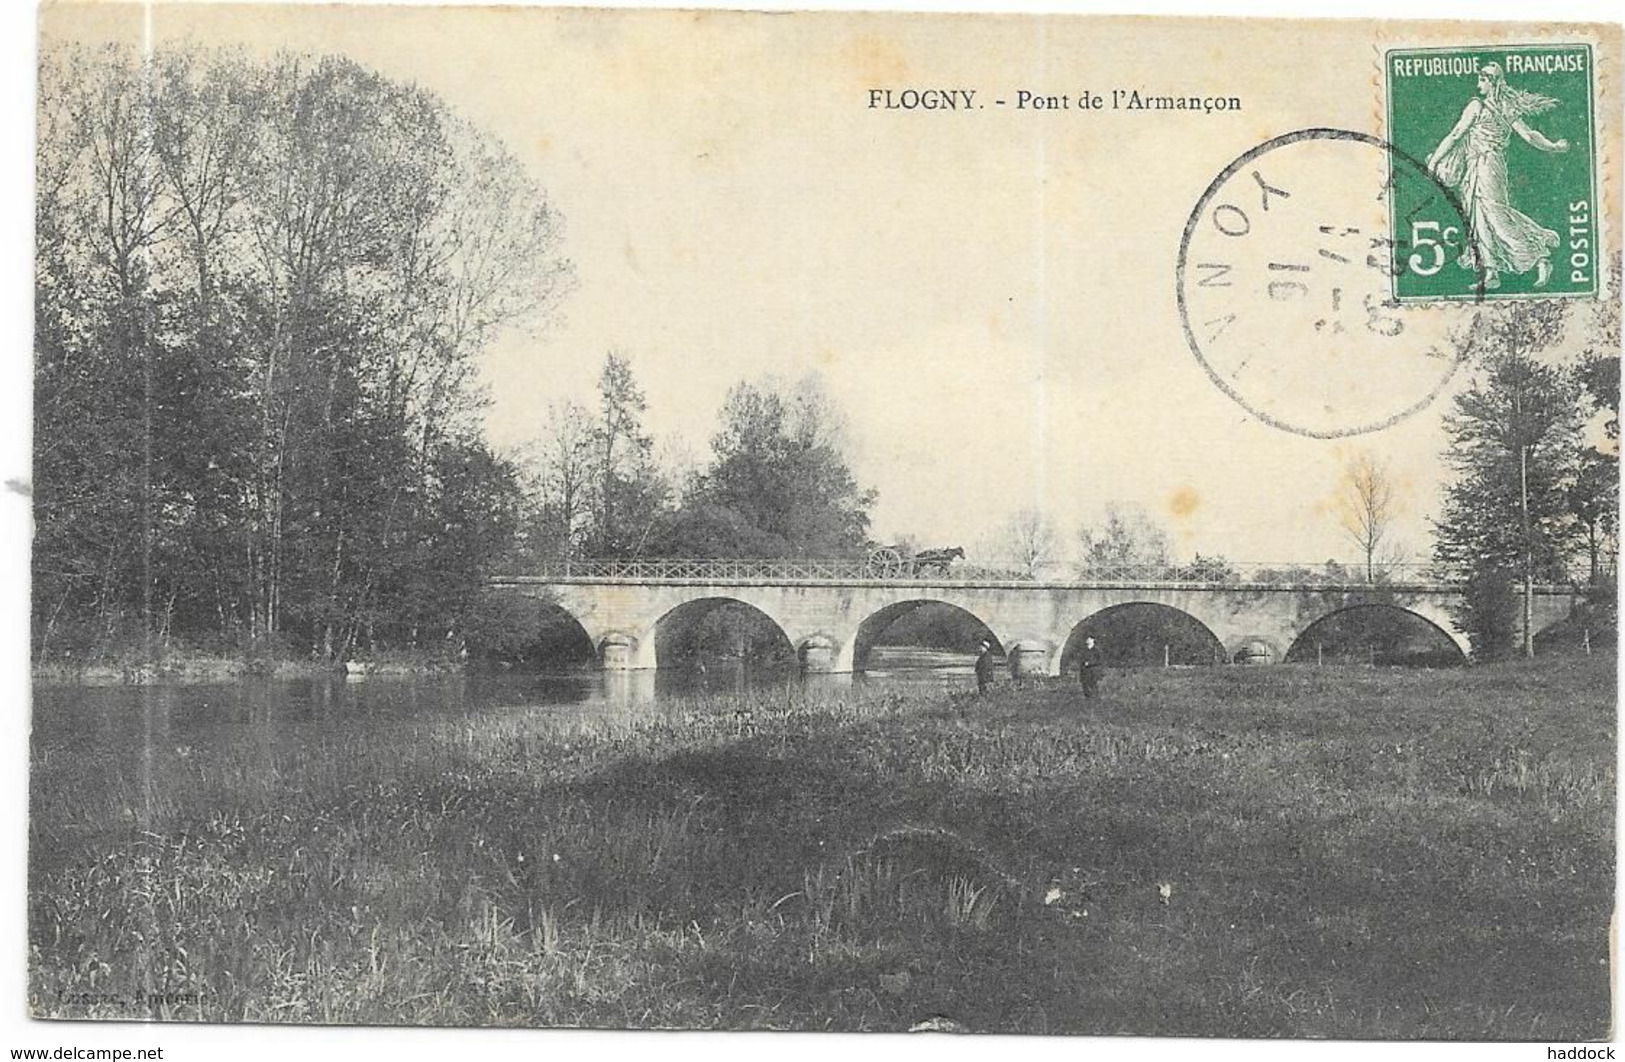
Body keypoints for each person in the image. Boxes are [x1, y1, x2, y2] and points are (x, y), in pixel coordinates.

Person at [1425, 62, 1570, 290]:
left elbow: (1455, 135)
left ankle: (1540, 256)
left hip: (1487, 165)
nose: (1478, 84)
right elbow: (1531, 136)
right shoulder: (1504, 107)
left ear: (1491, 82)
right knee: (1478, 216)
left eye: (1482, 80)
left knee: (1495, 214)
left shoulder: (1478, 106)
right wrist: (1552, 146)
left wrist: (1433, 161)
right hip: (1480, 166)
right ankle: (1490, 271)